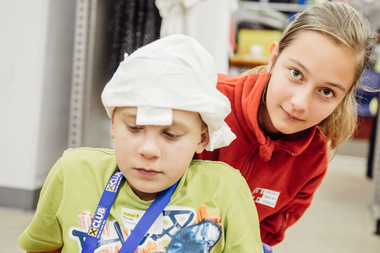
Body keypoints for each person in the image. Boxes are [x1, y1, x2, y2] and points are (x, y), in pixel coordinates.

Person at [18, 35, 266, 253]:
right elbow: (43, 249)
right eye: (135, 128)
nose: (148, 150)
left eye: (170, 134)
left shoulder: (225, 189)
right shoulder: (73, 173)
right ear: (113, 124)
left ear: (202, 138)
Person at [197, 0, 375, 246]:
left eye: (326, 91)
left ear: (347, 94)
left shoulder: (313, 159)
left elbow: (265, 235)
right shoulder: (204, 101)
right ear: (274, 57)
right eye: (296, 73)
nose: (300, 104)